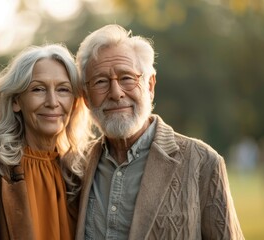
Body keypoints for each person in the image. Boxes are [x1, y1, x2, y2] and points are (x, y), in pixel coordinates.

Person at [74, 24, 244, 239]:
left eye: (127, 78)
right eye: (100, 82)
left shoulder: (203, 162)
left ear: (150, 85)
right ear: (86, 97)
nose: (116, 93)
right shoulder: (77, 166)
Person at [0, 44, 92, 239]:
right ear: (16, 101)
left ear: (75, 102)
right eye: (38, 89)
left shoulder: (78, 175)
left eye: (63, 90)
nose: (52, 102)